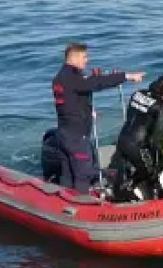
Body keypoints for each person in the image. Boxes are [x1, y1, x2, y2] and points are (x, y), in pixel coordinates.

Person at [50, 43, 144, 193]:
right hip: (76, 136)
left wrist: (88, 110)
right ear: (73, 58)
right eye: (84, 57)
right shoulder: (74, 78)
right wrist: (127, 76)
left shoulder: (60, 77)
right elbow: (97, 83)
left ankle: (64, 203)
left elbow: (70, 98)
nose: (87, 60)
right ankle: (81, 207)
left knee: (67, 174)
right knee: (83, 174)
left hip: (64, 132)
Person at [111, 73, 163, 201]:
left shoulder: (138, 93)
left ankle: (122, 189)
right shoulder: (162, 107)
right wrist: (159, 157)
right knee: (151, 171)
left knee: (131, 167)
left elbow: (133, 117)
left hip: (123, 138)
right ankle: (130, 190)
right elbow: (157, 137)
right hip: (137, 146)